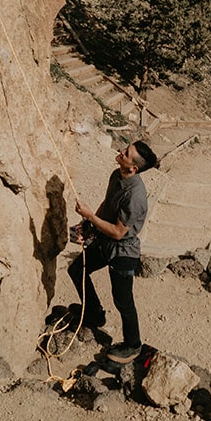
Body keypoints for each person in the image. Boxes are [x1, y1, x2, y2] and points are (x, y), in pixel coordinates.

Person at [69, 139, 158, 364]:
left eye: (126, 153)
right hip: (104, 242)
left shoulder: (135, 196)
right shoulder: (116, 174)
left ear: (133, 168)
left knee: (123, 301)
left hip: (123, 252)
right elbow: (106, 204)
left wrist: (90, 216)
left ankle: (133, 345)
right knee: (77, 269)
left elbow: (119, 232)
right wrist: (88, 225)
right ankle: (94, 314)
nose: (121, 152)